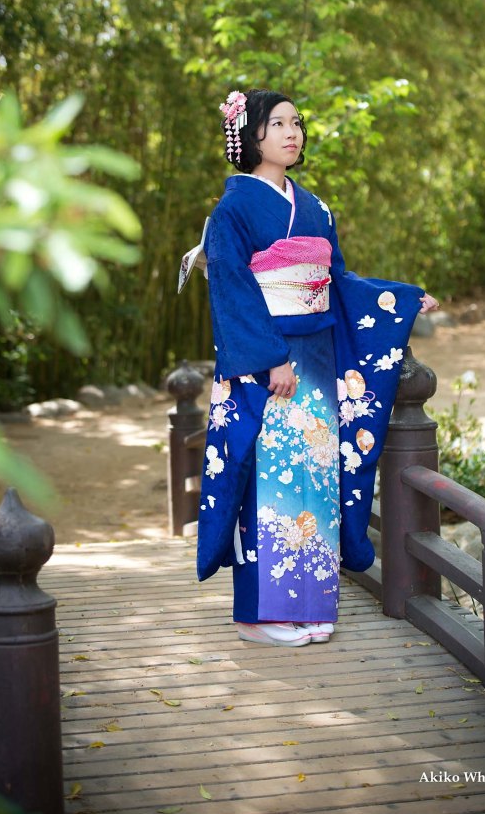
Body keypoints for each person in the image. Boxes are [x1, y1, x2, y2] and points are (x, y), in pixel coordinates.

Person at [191, 88, 438, 647]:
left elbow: (340, 285)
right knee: (270, 479)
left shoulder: (317, 207)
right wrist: (270, 358)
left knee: (317, 474)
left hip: (319, 359)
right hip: (270, 362)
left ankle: (312, 601)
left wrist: (399, 299)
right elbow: (232, 289)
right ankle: (260, 613)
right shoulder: (231, 211)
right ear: (250, 135)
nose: (292, 132)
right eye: (277, 123)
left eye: (297, 123)